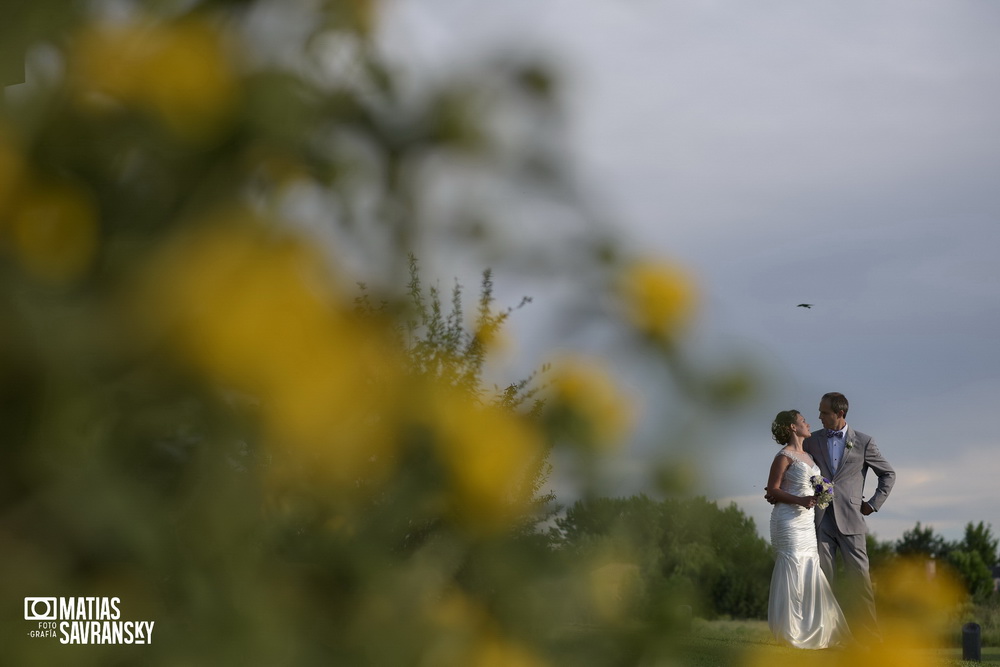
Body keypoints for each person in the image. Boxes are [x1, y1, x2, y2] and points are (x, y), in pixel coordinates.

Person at [804, 392, 895, 645]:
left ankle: (871, 641)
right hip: (821, 521)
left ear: (840, 414)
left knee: (860, 583)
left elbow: (888, 474)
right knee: (822, 581)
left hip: (852, 521)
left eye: (824, 412)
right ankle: (824, 637)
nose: (819, 416)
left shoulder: (864, 442)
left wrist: (873, 504)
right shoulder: (811, 441)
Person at [764, 409, 850, 649]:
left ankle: (813, 627)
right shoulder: (784, 456)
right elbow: (773, 489)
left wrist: (819, 495)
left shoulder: (810, 456)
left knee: (810, 566)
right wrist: (800, 500)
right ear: (793, 427)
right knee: (793, 566)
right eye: (803, 421)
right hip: (788, 520)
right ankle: (790, 631)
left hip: (807, 521)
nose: (808, 423)